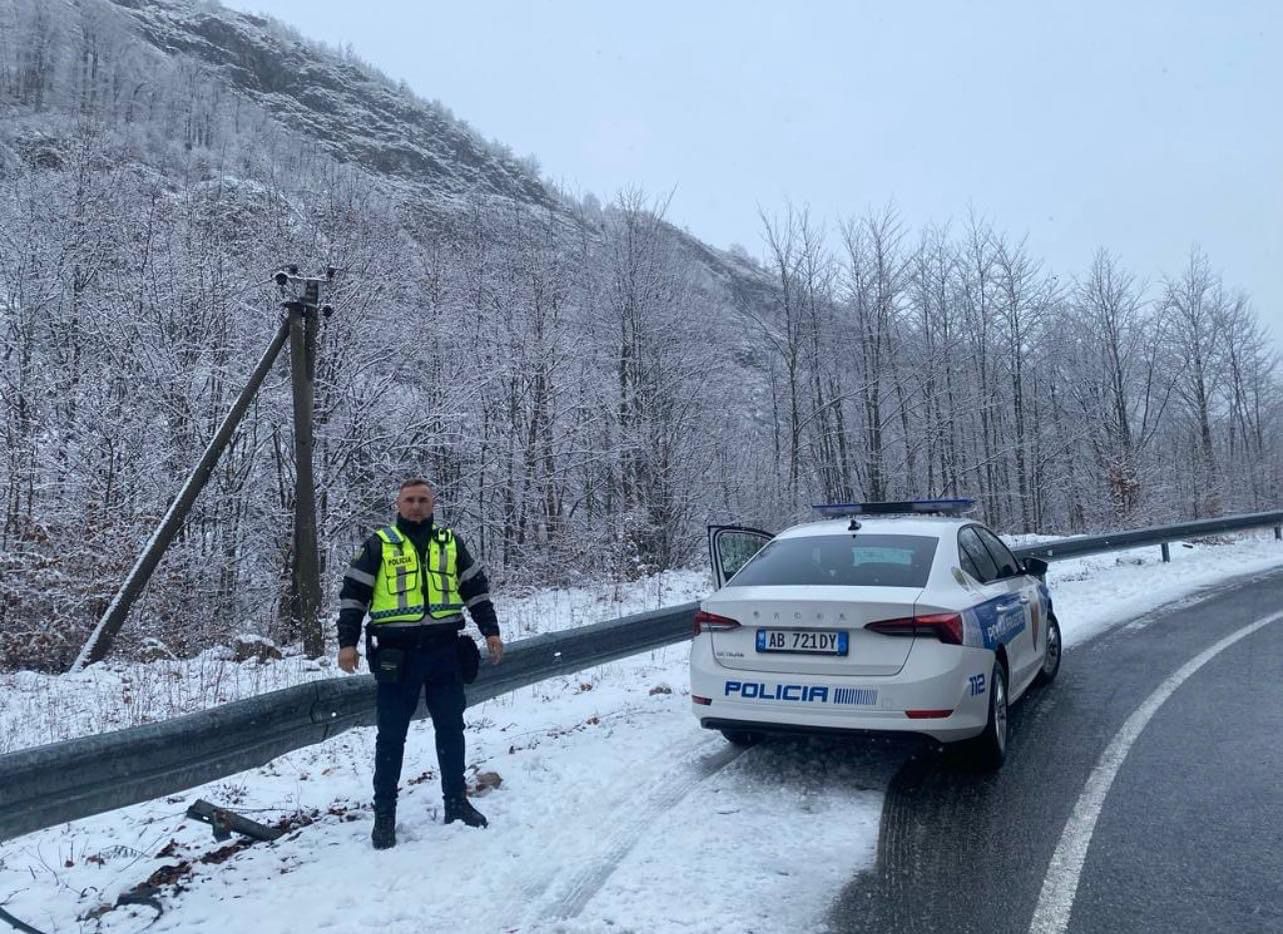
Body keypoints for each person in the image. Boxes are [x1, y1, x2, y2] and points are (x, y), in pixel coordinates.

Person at [336, 477, 504, 849]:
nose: (416, 506)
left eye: (423, 500)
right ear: (398, 504)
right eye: (410, 500)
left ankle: (456, 802)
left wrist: (490, 631)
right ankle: (384, 817)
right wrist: (347, 643)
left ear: (433, 503)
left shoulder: (450, 543)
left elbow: (476, 591)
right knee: (391, 737)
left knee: (451, 729)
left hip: (445, 651)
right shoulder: (379, 545)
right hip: (398, 654)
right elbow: (353, 596)